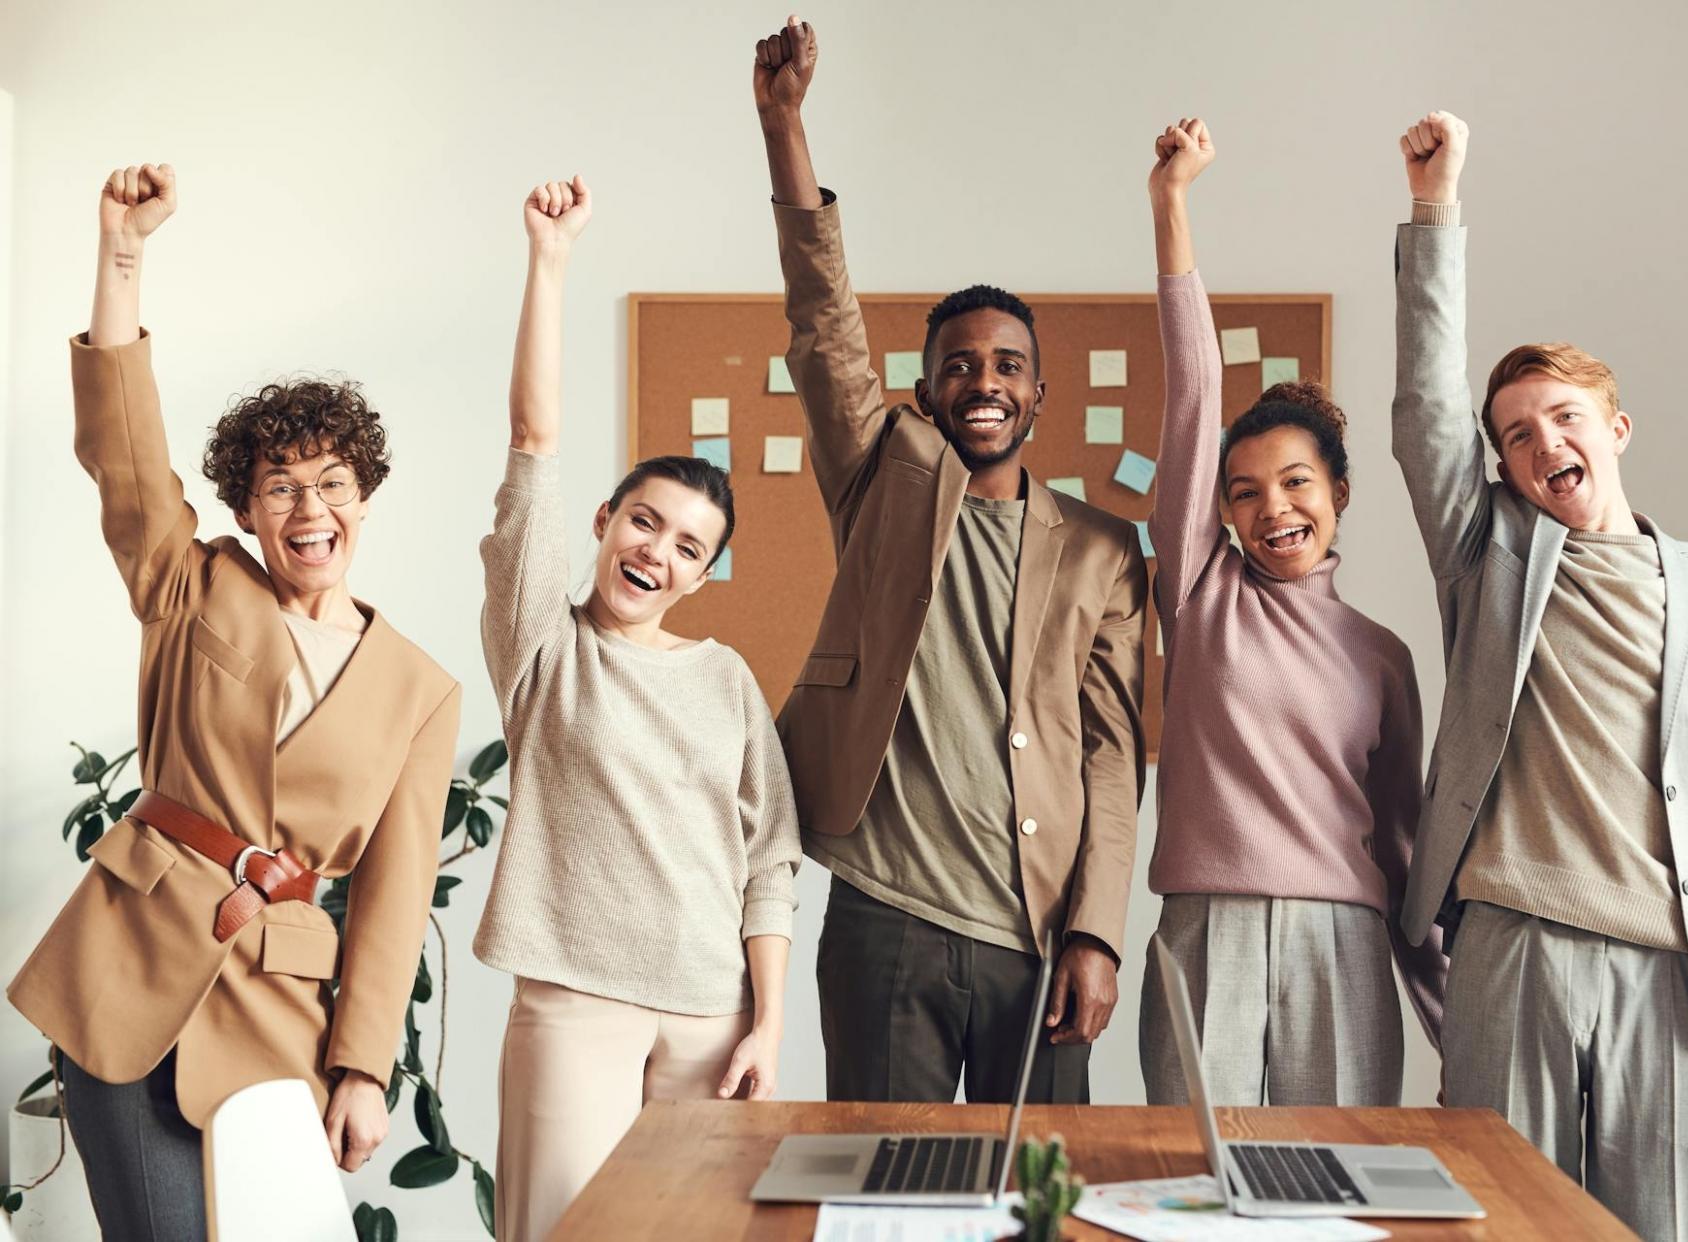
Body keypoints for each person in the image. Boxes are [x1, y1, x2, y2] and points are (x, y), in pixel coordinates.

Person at [1390, 111, 1688, 1240]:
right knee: (1502, 1226)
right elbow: (1423, 413)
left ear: (1616, 428)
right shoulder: (1488, 558)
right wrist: (1434, 206)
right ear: (1500, 467)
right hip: (1512, 946)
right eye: (1514, 434)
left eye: (1563, 418)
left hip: (1674, 969)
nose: (1541, 442)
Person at [7, 164, 461, 1242]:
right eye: (280, 486)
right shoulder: (194, 583)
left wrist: (364, 1067)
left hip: (278, 1007)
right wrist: (123, 254)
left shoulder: (420, 688)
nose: (310, 508)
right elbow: (122, 457)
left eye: (333, 482)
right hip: (129, 967)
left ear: (365, 496)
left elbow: (395, 898)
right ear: (248, 510)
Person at [751, 16, 1147, 1104]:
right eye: (960, 366)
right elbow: (823, 323)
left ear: (1037, 395)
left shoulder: (1104, 551)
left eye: (1008, 365)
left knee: (1043, 1183)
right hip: (885, 915)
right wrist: (784, 129)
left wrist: (1098, 933)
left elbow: (1112, 758)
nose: (984, 381)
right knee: (889, 1181)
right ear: (925, 392)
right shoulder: (881, 478)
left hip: (1039, 930)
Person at [472, 176, 801, 1242]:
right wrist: (550, 261)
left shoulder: (726, 679)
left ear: (701, 575)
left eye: (687, 547)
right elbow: (533, 442)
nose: (657, 552)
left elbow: (769, 862)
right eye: (644, 523)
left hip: (713, 1014)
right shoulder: (544, 648)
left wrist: (767, 1024)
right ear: (606, 521)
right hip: (575, 1005)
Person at [1137, 118, 1444, 1108]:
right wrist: (1171, 202)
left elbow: (1403, 848)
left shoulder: (1381, 657)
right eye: (1244, 493)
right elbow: (1194, 391)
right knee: (1193, 1176)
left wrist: (1451, 1024)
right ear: (1221, 512)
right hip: (1204, 932)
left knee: (1337, 1179)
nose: (1273, 509)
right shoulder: (1199, 594)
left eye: (1296, 482)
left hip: (1343, 944)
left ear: (1338, 492)